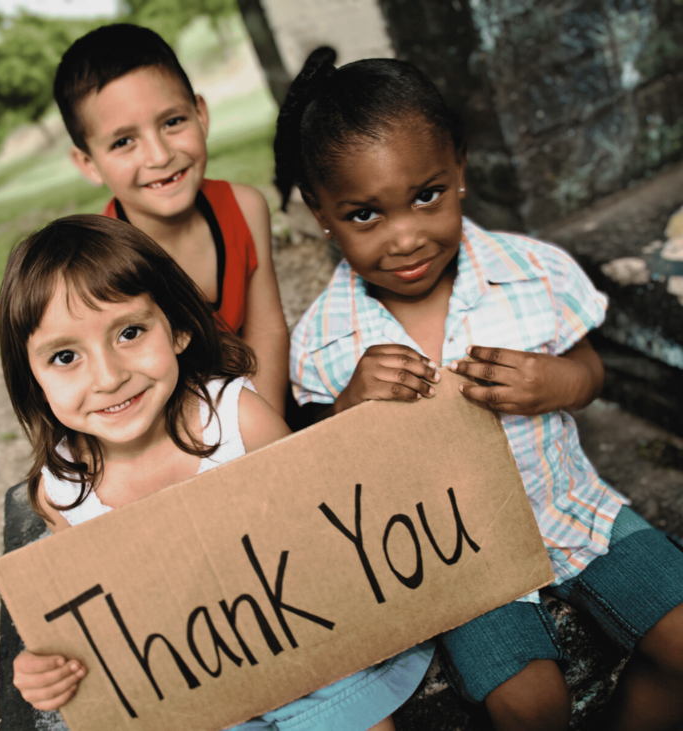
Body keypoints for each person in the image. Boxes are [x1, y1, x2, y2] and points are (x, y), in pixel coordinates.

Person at [279, 48, 683, 731]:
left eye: (426, 195)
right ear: (321, 211)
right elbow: (327, 472)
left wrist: (557, 380)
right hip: (462, 560)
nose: (405, 237)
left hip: (574, 511)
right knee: (528, 702)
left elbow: (591, 374)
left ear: (460, 167)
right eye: (364, 216)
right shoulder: (324, 339)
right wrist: (350, 407)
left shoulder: (533, 271)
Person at [0, 214, 434, 731]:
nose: (109, 376)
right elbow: (91, 626)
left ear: (178, 328)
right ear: (33, 378)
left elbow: (327, 535)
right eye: (66, 356)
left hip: (313, 661)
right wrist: (44, 668)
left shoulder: (238, 421)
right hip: (192, 697)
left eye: (130, 332)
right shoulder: (64, 491)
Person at [53, 23, 290, 417]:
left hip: (257, 410)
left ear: (201, 115)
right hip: (165, 429)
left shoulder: (246, 208)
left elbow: (267, 332)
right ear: (88, 163)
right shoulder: (99, 260)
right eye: (123, 141)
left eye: (172, 122)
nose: (159, 155)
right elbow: (119, 389)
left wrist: (261, 438)